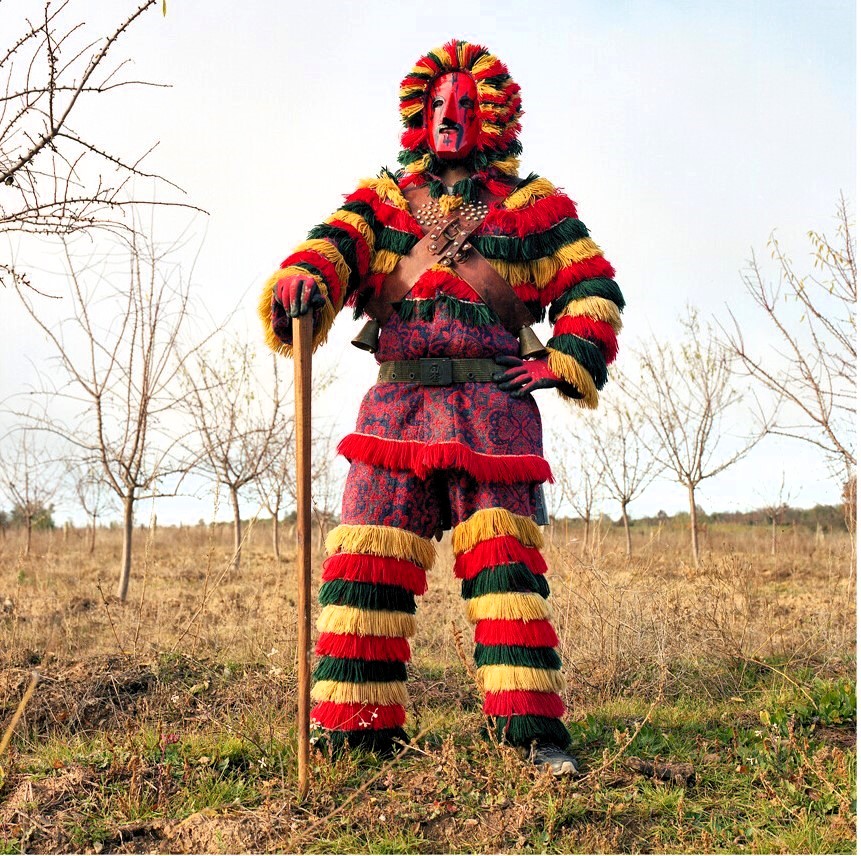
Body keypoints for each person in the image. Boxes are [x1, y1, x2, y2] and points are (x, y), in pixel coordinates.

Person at [260, 39, 624, 775]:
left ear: (491, 116)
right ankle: (355, 729)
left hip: (494, 410)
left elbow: (592, 288)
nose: (448, 114)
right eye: (437, 103)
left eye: (463, 103)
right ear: (418, 115)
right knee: (364, 565)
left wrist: (560, 360)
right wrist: (303, 282)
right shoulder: (382, 202)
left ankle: (532, 738)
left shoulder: (535, 208)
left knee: (505, 576)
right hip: (394, 411)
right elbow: (327, 250)